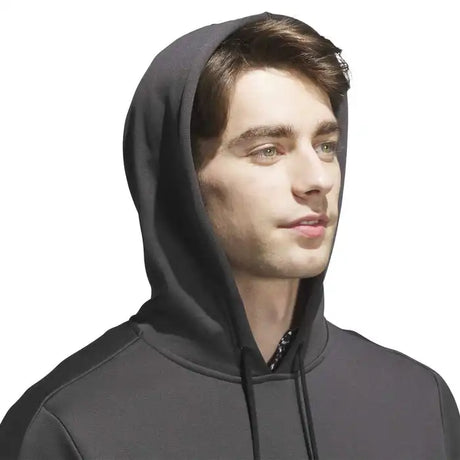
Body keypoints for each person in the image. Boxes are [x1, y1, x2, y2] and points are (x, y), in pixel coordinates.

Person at [0, 10, 459, 459]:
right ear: (182, 176)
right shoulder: (70, 428)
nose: (317, 179)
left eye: (325, 145)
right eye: (267, 150)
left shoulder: (419, 403)